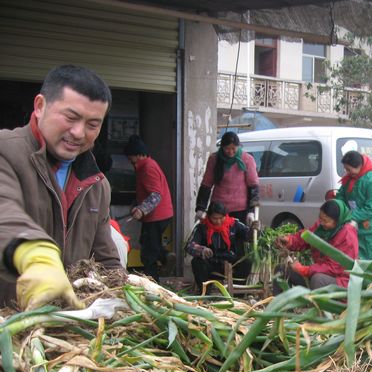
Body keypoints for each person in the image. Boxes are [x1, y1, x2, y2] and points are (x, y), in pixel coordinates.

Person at [0, 64, 121, 310]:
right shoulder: (6, 151)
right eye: (71, 118)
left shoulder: (97, 185)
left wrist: (124, 295)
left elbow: (106, 260)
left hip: (65, 323)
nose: (78, 133)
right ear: (40, 106)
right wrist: (35, 255)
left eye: (92, 124)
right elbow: (4, 213)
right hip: (10, 319)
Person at [274, 199, 358, 292]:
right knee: (281, 270)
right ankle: (281, 301)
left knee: (318, 280)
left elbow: (334, 268)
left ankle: (317, 302)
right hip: (319, 272)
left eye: (326, 221)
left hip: (342, 281)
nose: (321, 223)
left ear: (337, 221)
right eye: (320, 218)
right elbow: (306, 237)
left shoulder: (347, 236)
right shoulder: (321, 227)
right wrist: (289, 241)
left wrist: (305, 270)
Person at [124, 135, 174, 283]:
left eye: (130, 157)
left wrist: (142, 209)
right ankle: (165, 256)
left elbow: (156, 195)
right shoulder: (147, 165)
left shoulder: (147, 168)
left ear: (138, 155)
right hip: (158, 215)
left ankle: (153, 281)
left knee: (148, 253)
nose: (129, 160)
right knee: (148, 244)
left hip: (156, 216)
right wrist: (137, 205)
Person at [185, 201, 255, 294]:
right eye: (215, 218)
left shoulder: (234, 224)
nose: (218, 221)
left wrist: (253, 230)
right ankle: (205, 292)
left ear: (225, 215)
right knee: (196, 262)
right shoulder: (201, 227)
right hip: (211, 262)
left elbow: (248, 235)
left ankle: (238, 293)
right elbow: (189, 245)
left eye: (221, 218)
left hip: (231, 262)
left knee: (247, 262)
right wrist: (202, 250)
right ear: (209, 216)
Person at [195, 131, 259, 225]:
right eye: (227, 148)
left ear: (238, 146)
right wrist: (200, 208)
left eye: (233, 148)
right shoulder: (214, 159)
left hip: (240, 210)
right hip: (218, 210)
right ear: (222, 147)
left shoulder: (247, 159)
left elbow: (253, 186)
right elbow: (206, 185)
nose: (230, 152)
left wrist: (251, 211)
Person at [335, 150, 372, 266]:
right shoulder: (349, 179)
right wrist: (339, 209)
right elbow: (341, 195)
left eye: (349, 169)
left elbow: (371, 208)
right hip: (352, 225)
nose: (347, 172)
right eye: (346, 169)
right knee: (355, 261)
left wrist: (350, 217)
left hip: (370, 227)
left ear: (359, 166)